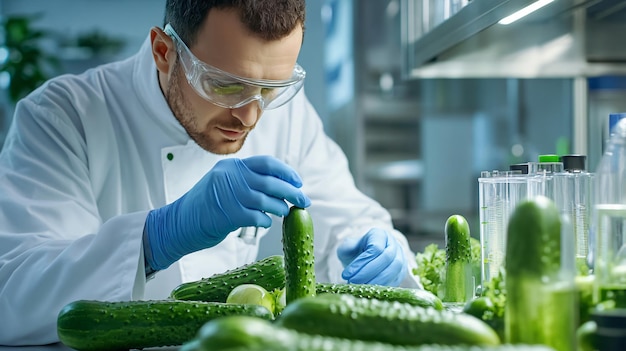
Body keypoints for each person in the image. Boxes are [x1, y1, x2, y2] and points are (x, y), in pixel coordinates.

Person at [0, 0, 421, 345]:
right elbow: (13, 293)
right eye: (225, 84)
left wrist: (371, 245)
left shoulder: (285, 116)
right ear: (164, 53)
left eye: (271, 89)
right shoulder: (62, 116)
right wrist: (157, 237)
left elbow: (343, 214)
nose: (250, 116)